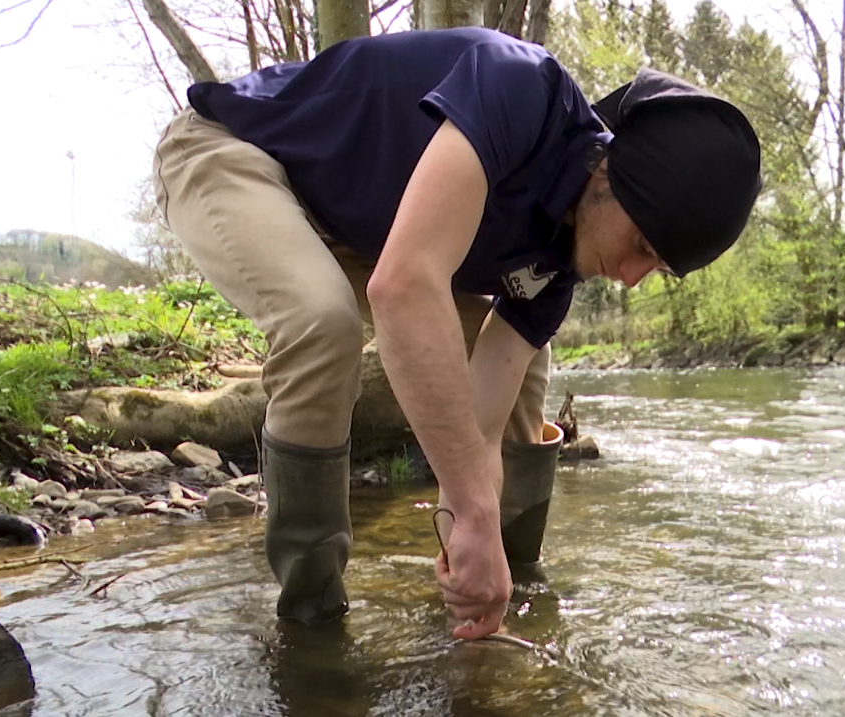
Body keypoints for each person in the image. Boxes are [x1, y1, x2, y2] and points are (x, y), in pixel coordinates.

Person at [153, 26, 761, 640]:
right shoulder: (517, 85)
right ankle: (313, 628)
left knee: (526, 368)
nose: (630, 278)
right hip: (236, 152)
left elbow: (481, 425)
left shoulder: (555, 266)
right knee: (323, 322)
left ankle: (507, 585)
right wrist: (471, 502)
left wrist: (474, 537)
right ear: (608, 174)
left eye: (656, 269)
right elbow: (404, 285)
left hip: (361, 229)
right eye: (642, 246)